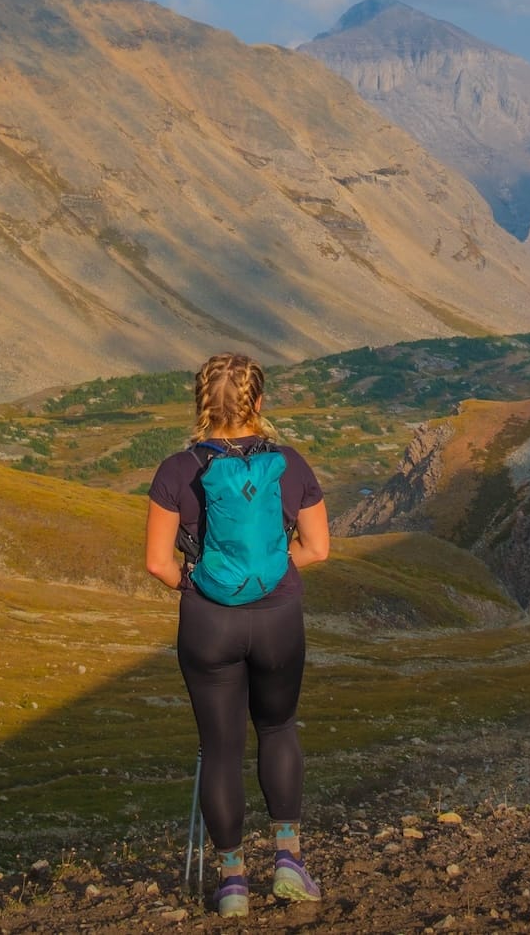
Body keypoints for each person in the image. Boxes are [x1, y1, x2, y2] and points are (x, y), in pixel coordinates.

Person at [144, 352, 331, 917]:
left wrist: (199, 585)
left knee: (220, 749)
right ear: (259, 402)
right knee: (277, 728)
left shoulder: (177, 471)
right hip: (277, 618)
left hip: (208, 623)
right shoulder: (290, 464)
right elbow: (319, 548)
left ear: (201, 403)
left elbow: (157, 563)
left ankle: (231, 884)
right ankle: (289, 861)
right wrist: (270, 575)